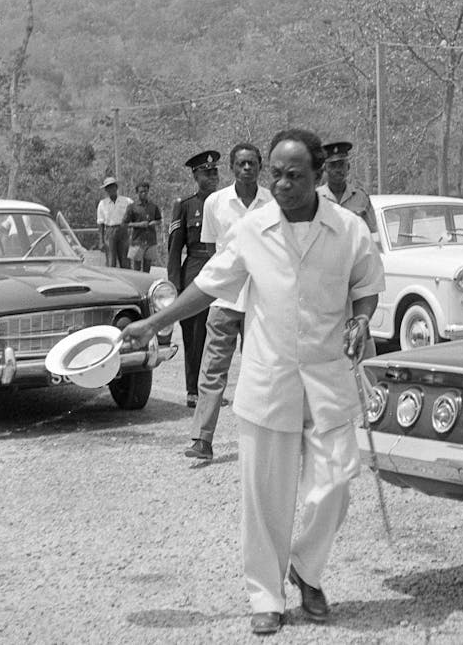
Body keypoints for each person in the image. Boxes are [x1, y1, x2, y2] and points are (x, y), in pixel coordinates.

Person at [121, 128, 384, 636]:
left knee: (334, 484)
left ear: (316, 176)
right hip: (271, 380)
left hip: (328, 379)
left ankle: (305, 568)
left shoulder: (350, 229)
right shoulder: (253, 229)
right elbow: (207, 287)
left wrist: (361, 318)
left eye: (295, 176)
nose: (283, 185)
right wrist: (155, 323)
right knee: (265, 497)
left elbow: (367, 286)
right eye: (277, 175)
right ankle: (265, 596)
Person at [185, 142, 273, 461]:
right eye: (241, 163)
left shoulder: (273, 202)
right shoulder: (216, 202)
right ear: (232, 168)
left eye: (252, 163)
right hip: (225, 299)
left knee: (260, 371)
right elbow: (212, 251)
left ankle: (262, 439)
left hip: (261, 299)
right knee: (212, 369)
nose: (247, 168)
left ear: (260, 167)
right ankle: (201, 439)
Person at [167, 150, 220, 407]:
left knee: (218, 334)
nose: (212, 177)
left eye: (215, 172)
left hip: (223, 268)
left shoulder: (225, 202)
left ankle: (212, 390)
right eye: (206, 173)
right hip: (195, 270)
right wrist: (175, 286)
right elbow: (175, 249)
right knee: (195, 333)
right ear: (195, 176)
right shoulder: (186, 205)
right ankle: (193, 391)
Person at [318, 140, 377, 233]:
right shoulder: (316, 198)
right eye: (333, 165)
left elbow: (373, 233)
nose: (338, 170)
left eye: (341, 164)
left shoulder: (361, 198)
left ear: (348, 167)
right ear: (325, 169)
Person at [123, 180, 162, 273]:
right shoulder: (132, 207)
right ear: (137, 192)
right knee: (136, 267)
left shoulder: (153, 206)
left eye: (146, 191)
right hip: (137, 241)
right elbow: (125, 224)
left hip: (150, 240)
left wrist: (154, 223)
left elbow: (159, 220)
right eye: (141, 192)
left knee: (147, 266)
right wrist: (139, 225)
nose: (144, 194)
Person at [96, 177, 131, 268]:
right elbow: (100, 223)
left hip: (123, 230)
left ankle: (126, 280)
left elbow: (135, 215)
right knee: (111, 261)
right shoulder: (102, 204)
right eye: (108, 188)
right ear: (106, 190)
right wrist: (101, 241)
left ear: (116, 187)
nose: (111, 189)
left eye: (112, 187)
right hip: (110, 231)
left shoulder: (126, 201)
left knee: (125, 260)